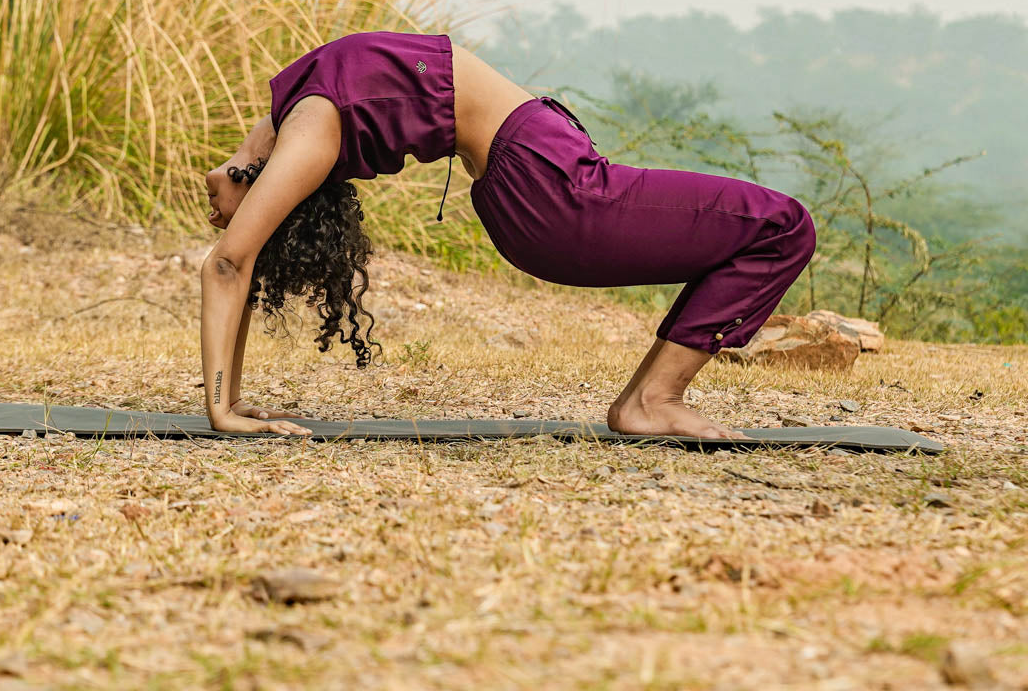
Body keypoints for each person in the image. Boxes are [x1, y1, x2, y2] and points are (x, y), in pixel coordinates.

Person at [201, 30, 816, 439]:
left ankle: (647, 401)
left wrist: (228, 402)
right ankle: (654, 401)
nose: (214, 214)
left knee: (774, 227)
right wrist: (222, 410)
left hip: (549, 173)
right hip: (551, 188)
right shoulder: (310, 128)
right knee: (781, 226)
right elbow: (229, 265)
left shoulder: (292, 115)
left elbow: (242, 251)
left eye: (222, 208)